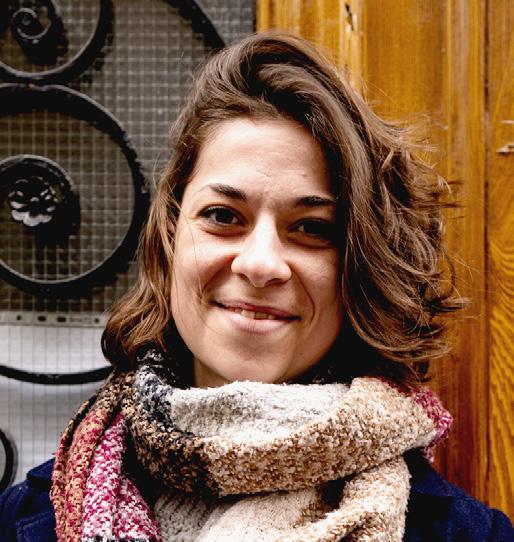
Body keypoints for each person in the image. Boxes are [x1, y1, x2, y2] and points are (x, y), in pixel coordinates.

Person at [1, 32, 513, 542]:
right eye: (223, 216)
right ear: (170, 235)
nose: (261, 264)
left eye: (312, 228)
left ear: (360, 266)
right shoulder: (25, 514)